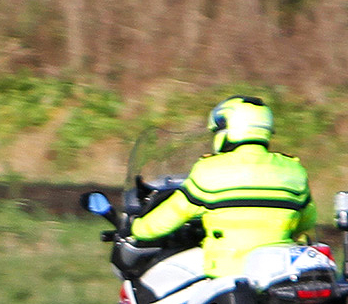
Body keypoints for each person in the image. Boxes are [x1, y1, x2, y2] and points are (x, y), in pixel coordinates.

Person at [129, 96, 321, 280]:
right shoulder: (293, 169)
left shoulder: (209, 169)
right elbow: (307, 221)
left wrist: (138, 229)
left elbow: (171, 215)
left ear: (227, 130)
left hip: (227, 274)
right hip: (280, 273)